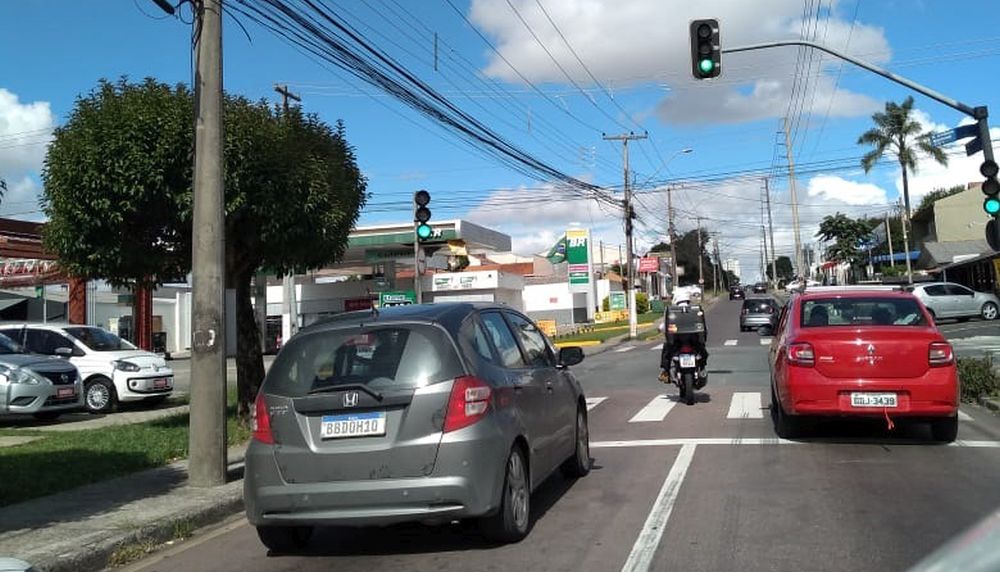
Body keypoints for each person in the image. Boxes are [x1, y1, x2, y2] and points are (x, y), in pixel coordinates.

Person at [657, 289, 709, 382]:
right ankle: (702, 368)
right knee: (702, 350)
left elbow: (665, 326)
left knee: (667, 350)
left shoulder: (672, 310)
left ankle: (666, 372)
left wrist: (660, 329)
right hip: (693, 341)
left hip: (677, 341)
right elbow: (702, 325)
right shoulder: (695, 309)